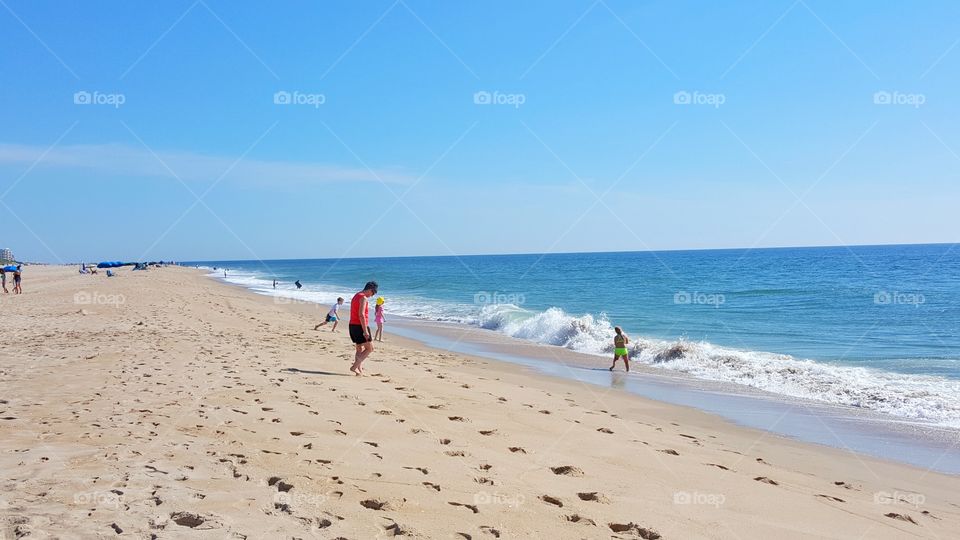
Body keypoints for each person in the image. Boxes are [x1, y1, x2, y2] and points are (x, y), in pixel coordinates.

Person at [348, 281, 378, 376]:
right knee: (370, 348)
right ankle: (354, 367)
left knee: (359, 348)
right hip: (360, 325)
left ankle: (359, 368)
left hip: (352, 325)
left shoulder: (356, 295)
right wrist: (365, 331)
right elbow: (361, 315)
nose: (372, 295)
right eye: (373, 293)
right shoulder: (363, 298)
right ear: (370, 290)